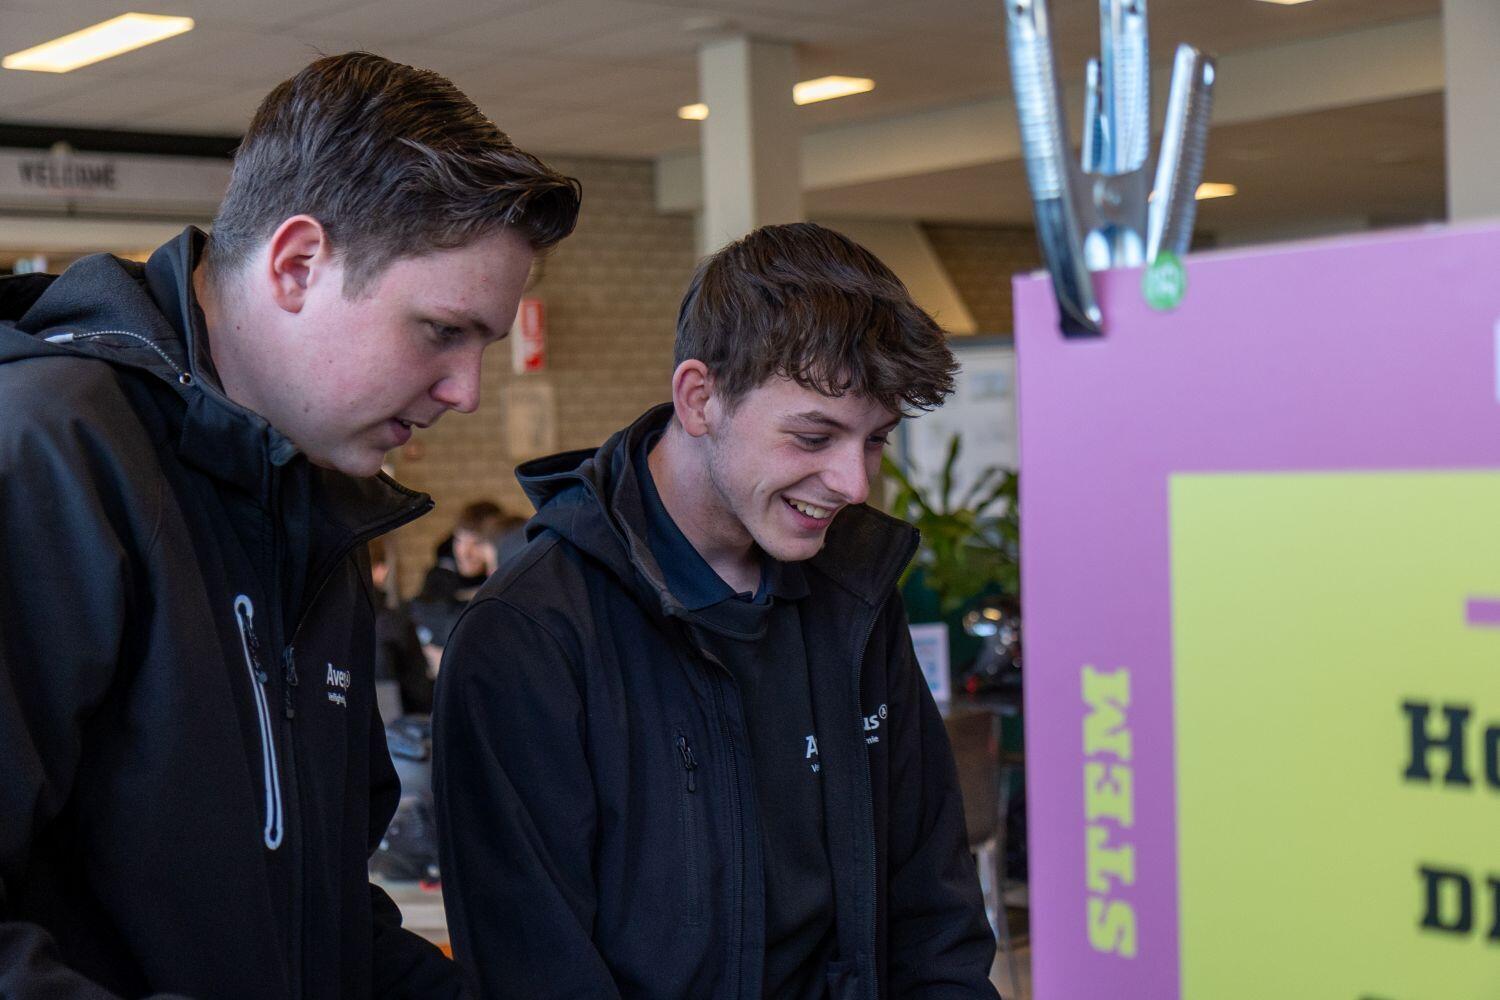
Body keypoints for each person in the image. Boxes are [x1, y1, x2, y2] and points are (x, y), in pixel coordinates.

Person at [0, 52, 580, 999]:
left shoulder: (312, 506)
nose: (467, 391)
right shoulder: (48, 458)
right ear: (298, 263)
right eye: (442, 330)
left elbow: (317, 924)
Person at [435, 223, 999, 999]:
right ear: (700, 397)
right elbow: (535, 973)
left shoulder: (856, 598)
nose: (853, 482)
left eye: (875, 442)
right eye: (813, 435)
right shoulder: (531, 638)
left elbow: (935, 917)